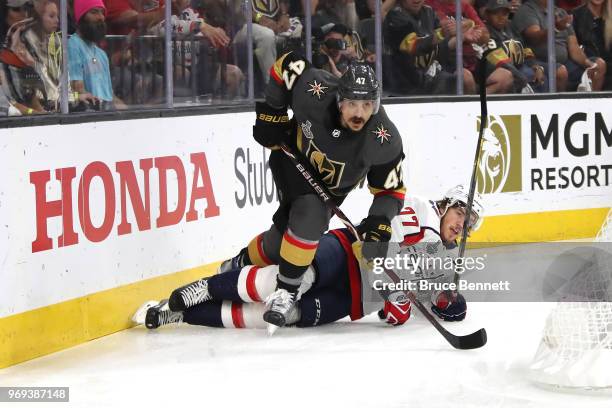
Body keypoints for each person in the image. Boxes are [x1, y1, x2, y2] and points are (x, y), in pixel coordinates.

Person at [169, 55, 405, 332]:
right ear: (339, 100)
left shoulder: (383, 139)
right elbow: (287, 63)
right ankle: (286, 291)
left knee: (281, 242)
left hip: (328, 189)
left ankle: (240, 263)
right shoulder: (314, 90)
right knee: (310, 216)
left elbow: (392, 191)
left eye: (366, 105)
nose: (359, 113)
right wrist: (273, 110)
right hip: (289, 160)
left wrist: (380, 222)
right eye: (352, 103)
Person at [133, 185, 485, 330]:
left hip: (352, 299)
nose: (461, 228)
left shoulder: (437, 263)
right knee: (295, 281)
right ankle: (205, 289)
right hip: (346, 252)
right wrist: (401, 279)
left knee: (282, 316)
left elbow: (393, 317)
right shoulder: (421, 210)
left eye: (468, 227)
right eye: (461, 217)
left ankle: (179, 315)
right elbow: (386, 241)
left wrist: (400, 297)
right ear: (449, 204)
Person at [383, 0, 477, 95]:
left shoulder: (428, 12)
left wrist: (462, 36)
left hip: (430, 77)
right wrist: (441, 33)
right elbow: (414, 47)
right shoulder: (395, 16)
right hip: (406, 82)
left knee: (465, 79)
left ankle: (473, 110)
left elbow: (441, 46)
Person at [512, 0, 607, 91]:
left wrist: (587, 63)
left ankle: (589, 105)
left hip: (564, 63)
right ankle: (560, 106)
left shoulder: (561, 13)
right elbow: (534, 37)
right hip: (537, 62)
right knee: (561, 71)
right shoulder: (527, 10)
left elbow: (574, 47)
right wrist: (556, 28)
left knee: (599, 65)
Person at [68, 0, 126, 109]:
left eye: (102, 13)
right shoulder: (73, 45)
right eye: (94, 12)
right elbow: (77, 89)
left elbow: (110, 95)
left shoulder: (102, 54)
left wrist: (127, 112)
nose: (101, 17)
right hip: (91, 115)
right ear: (81, 17)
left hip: (107, 113)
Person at [483, 0, 547, 92]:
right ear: (487, 15)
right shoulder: (486, 32)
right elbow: (500, 61)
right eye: (496, 14)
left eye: (504, 14)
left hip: (520, 67)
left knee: (541, 77)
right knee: (528, 76)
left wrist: (535, 66)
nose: (501, 18)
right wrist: (520, 77)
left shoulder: (510, 27)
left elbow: (524, 47)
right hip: (501, 71)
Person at [572, 0, 612, 90]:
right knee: (599, 65)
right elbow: (574, 47)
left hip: (609, 64)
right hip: (589, 61)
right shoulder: (577, 15)